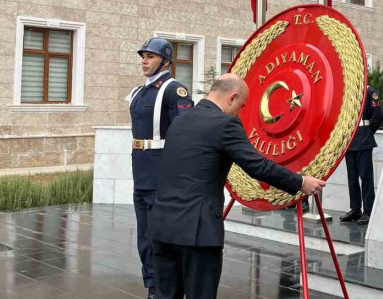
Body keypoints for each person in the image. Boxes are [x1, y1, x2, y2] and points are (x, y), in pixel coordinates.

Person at [148, 74, 326, 299]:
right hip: (197, 232)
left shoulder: (180, 120)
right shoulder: (224, 123)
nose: (239, 112)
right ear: (232, 98)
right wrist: (300, 182)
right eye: (241, 106)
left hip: (163, 226)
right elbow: (257, 166)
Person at [127, 37, 194, 299]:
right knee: (145, 238)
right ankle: (153, 286)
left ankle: (168, 288)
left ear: (165, 61)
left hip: (162, 175)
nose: (144, 60)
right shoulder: (140, 91)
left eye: (151, 56)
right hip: (141, 173)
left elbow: (185, 135)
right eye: (143, 56)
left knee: (161, 238)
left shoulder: (173, 90)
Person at [339, 85, 383, 225]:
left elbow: (378, 116)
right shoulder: (349, 92)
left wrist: (368, 132)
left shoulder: (370, 92)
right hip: (350, 141)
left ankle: (368, 210)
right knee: (352, 178)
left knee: (366, 177)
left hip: (363, 140)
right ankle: (355, 209)